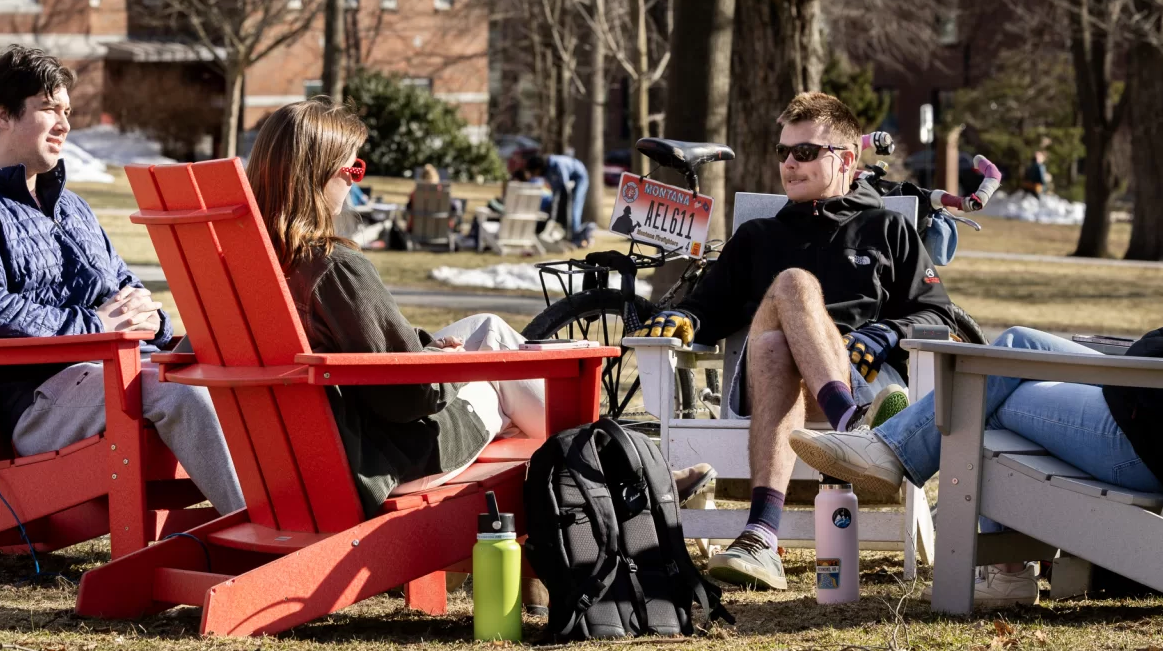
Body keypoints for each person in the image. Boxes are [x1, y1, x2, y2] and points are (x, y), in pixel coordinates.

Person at [794, 113, 1163, 608]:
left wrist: (1127, 366)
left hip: (1143, 436)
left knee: (983, 387)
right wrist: (1125, 355)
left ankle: (928, 494)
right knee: (1016, 344)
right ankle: (904, 468)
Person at [254, 98, 713, 516]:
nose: (357, 182)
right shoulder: (335, 267)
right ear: (318, 174)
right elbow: (409, 398)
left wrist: (429, 352)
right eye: (352, 170)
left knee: (491, 329)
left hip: (305, 460)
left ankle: (622, 476)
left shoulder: (256, 265)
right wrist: (450, 367)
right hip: (381, 460)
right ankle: (634, 482)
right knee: (503, 379)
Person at [634, 92, 983, 591]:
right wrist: (681, 319)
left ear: (845, 158)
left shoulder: (889, 229)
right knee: (789, 295)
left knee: (780, 334)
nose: (789, 165)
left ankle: (759, 536)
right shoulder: (757, 236)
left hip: (865, 381)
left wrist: (888, 331)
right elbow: (707, 310)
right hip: (792, 395)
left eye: (804, 152)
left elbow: (940, 315)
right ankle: (851, 429)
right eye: (782, 153)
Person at [0, 46, 245, 515]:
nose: (65, 124)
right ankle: (263, 533)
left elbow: (124, 286)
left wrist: (153, 319)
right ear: (4, 115)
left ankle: (304, 515)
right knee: (183, 390)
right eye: (50, 108)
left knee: (244, 373)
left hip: (122, 371)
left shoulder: (72, 207)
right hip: (42, 400)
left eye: (67, 111)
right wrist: (95, 325)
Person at [512, 148, 595, 247]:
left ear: (538, 167)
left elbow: (564, 187)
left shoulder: (557, 164)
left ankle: (574, 235)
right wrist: (552, 215)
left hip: (580, 177)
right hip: (567, 181)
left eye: (534, 172)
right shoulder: (547, 171)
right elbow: (555, 192)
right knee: (557, 203)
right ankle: (563, 230)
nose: (535, 175)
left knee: (574, 206)